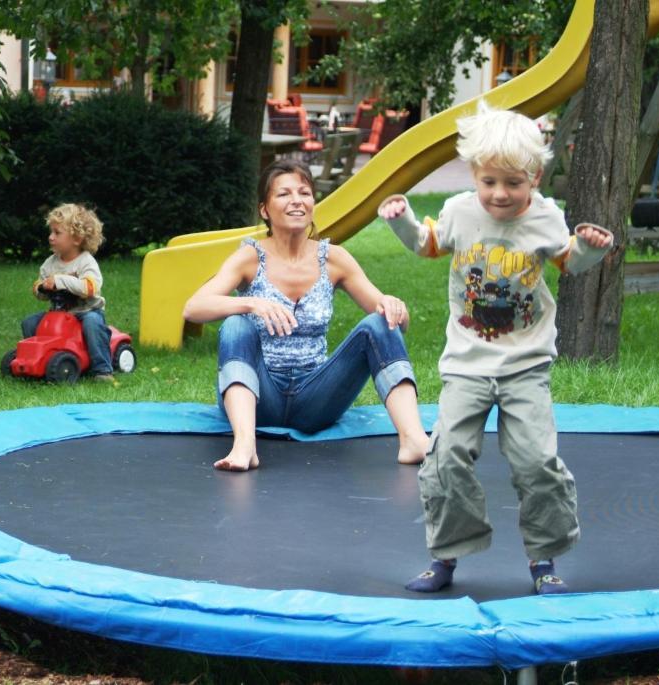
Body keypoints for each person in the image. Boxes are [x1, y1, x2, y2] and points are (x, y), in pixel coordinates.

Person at [377, 101, 614, 595]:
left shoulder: (546, 218)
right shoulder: (461, 211)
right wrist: (401, 221)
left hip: (526, 363)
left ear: (535, 176)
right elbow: (428, 244)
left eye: (513, 183)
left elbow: (570, 263)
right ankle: (445, 557)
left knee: (536, 461)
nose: (500, 194)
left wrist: (590, 248)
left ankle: (543, 559)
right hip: (467, 362)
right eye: (489, 183)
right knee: (446, 457)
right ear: (473, 174)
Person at [183, 158, 429, 472]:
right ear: (265, 209)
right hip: (259, 397)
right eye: (284, 194)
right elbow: (193, 307)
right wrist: (250, 304)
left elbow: (396, 324)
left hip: (317, 398)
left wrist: (396, 307)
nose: (297, 200)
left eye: (304, 192)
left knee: (378, 322)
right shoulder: (250, 257)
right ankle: (245, 446)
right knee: (236, 324)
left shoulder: (334, 258)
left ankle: (413, 440)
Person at [21, 202, 114, 382]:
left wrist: (61, 280)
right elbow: (39, 289)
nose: (50, 237)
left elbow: (90, 288)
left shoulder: (86, 262)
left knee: (93, 324)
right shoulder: (50, 263)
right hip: (59, 314)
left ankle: (102, 369)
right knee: (30, 323)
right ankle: (40, 360)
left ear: (77, 239)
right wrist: (41, 288)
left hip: (86, 312)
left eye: (57, 233)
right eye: (51, 232)